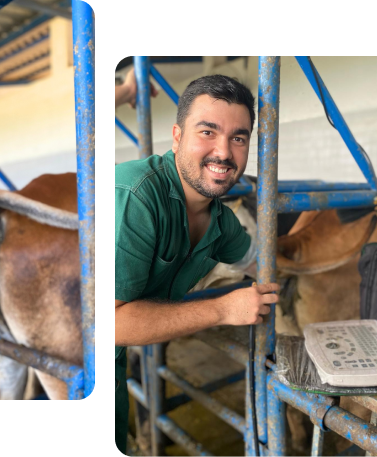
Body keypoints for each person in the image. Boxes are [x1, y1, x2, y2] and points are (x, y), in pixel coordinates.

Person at [114, 74, 279, 454]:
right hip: (75, 356)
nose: (224, 152)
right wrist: (224, 308)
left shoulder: (221, 222)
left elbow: (261, 262)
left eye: (238, 138)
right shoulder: (135, 197)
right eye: (208, 132)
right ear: (176, 136)